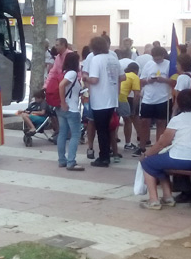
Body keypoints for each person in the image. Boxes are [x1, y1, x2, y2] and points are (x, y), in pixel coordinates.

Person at [139, 89, 191, 210]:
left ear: (178, 103)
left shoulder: (178, 119)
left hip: (182, 159)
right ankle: (167, 197)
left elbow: (162, 143)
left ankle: (153, 200)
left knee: (147, 163)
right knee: (160, 163)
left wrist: (146, 154)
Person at [85, 36, 123, 167]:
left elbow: (94, 80)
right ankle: (108, 153)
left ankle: (104, 157)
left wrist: (85, 78)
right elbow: (122, 76)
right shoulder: (113, 58)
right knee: (107, 128)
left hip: (100, 99)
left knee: (101, 129)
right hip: (112, 98)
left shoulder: (96, 59)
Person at [135, 46, 175, 157]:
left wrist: (163, 79)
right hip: (148, 98)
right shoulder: (149, 64)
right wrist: (148, 80)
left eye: (158, 58)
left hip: (163, 98)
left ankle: (158, 147)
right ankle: (142, 146)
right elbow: (141, 81)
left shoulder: (168, 64)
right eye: (154, 58)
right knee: (144, 122)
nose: (156, 60)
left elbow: (174, 81)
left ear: (163, 56)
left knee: (161, 123)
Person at [57, 51, 85, 171]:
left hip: (62, 109)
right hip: (70, 108)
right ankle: (71, 161)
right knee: (75, 135)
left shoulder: (65, 72)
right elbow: (62, 86)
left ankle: (62, 160)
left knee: (62, 134)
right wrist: (64, 102)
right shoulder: (72, 73)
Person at [119, 62, 141, 151]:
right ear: (136, 70)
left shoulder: (124, 74)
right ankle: (128, 143)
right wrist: (134, 109)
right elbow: (136, 95)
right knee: (127, 120)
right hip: (122, 98)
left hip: (113, 97)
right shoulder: (135, 77)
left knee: (114, 120)